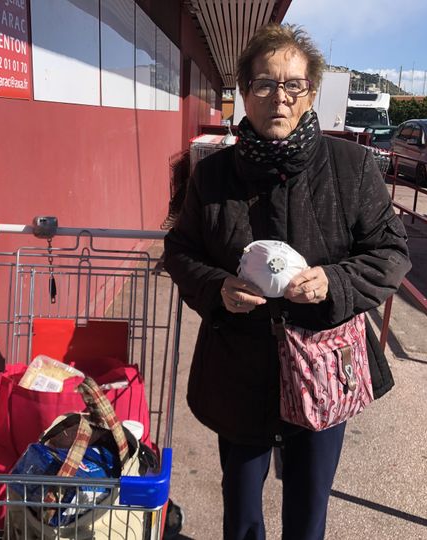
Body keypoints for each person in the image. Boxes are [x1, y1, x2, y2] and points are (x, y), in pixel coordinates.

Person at [163, 23, 411, 540]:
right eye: (265, 84)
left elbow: (391, 253)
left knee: (307, 513)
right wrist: (217, 289)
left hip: (323, 366)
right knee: (242, 512)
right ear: (245, 93)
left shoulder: (352, 167)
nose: (279, 97)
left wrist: (335, 283)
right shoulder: (211, 177)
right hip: (238, 371)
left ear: (311, 93)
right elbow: (180, 251)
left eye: (293, 85)